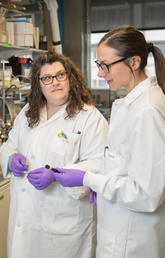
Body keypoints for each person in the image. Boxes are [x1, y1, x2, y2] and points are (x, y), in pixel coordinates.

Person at [52, 25, 165, 258]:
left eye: (106, 66)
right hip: (119, 227)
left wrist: (89, 179)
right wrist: (101, 183)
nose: (101, 73)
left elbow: (147, 195)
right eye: (98, 65)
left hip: (132, 240)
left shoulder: (147, 110)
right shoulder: (132, 103)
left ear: (134, 62)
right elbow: (123, 165)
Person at [0, 51, 108, 258]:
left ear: (70, 78)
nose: (55, 82)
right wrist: (12, 158)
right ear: (39, 84)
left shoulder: (88, 117)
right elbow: (8, 146)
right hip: (25, 220)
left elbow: (100, 163)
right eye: (47, 78)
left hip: (63, 225)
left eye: (60, 75)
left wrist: (57, 175)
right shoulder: (28, 112)